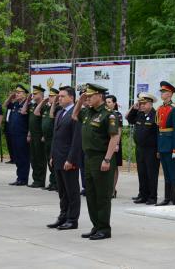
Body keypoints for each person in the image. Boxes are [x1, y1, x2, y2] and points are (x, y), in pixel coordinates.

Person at [72, 83, 120, 240]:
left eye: (90, 96)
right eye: (87, 96)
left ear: (100, 96)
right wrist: (80, 100)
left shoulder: (109, 114)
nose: (88, 98)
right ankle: (96, 226)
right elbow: (74, 115)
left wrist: (107, 159)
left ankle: (104, 229)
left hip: (101, 158)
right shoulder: (87, 112)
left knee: (102, 195)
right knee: (91, 194)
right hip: (88, 158)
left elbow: (114, 137)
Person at [47, 86, 82, 230]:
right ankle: (63, 216)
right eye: (59, 96)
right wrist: (52, 156)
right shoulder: (60, 112)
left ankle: (72, 219)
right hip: (58, 157)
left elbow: (76, 139)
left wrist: (71, 159)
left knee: (71, 191)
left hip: (69, 159)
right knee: (61, 191)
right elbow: (55, 138)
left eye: (62, 96)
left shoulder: (76, 113)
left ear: (71, 98)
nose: (59, 98)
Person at [126, 93, 160, 205]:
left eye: (144, 103)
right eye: (140, 103)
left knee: (151, 174)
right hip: (140, 149)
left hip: (151, 150)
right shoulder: (139, 114)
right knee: (142, 172)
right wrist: (134, 108)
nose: (142, 105)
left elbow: (159, 134)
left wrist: (159, 150)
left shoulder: (156, 115)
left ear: (150, 104)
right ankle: (142, 195)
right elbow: (129, 118)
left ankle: (152, 197)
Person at [155, 81, 175, 206]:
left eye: (164, 92)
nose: (162, 93)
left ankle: (173, 199)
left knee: (172, 174)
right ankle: (167, 198)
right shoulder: (160, 108)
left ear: (170, 94)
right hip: (162, 145)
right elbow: (158, 130)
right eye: (161, 91)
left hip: (171, 146)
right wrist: (158, 149)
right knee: (166, 174)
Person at [34, 88, 61, 191]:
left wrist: (54, 102)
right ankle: (52, 182)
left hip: (53, 139)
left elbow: (51, 115)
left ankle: (56, 183)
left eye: (52, 96)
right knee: (49, 162)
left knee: (54, 162)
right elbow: (36, 112)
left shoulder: (57, 108)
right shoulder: (46, 107)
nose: (50, 98)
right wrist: (42, 102)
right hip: (46, 139)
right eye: (49, 96)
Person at [5, 84, 30, 186]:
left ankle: (23, 179)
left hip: (22, 135)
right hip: (13, 134)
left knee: (23, 157)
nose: (17, 94)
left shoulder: (28, 105)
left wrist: (29, 134)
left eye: (19, 92)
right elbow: (6, 104)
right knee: (17, 157)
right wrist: (11, 97)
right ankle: (19, 177)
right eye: (16, 92)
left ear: (25, 94)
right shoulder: (15, 104)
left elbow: (29, 121)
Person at [25, 85, 47, 188]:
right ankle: (35, 179)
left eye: (35, 94)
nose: (33, 95)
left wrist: (43, 135)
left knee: (40, 159)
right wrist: (29, 133)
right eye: (33, 93)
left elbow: (44, 122)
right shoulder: (32, 105)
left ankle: (40, 180)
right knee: (33, 158)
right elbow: (26, 115)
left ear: (41, 95)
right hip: (33, 135)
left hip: (39, 136)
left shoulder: (44, 106)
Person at [105, 95, 123, 198]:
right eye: (106, 102)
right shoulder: (104, 114)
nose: (107, 104)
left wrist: (116, 144)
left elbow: (119, 130)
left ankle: (112, 189)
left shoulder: (117, 115)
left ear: (114, 103)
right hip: (105, 142)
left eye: (109, 102)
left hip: (114, 142)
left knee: (114, 167)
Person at [3, 94, 15, 164]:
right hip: (7, 126)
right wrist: (10, 97)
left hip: (13, 126)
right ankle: (12, 158)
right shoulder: (10, 104)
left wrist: (13, 98)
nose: (12, 99)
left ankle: (15, 158)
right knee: (9, 143)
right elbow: (4, 104)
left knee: (14, 143)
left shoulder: (16, 105)